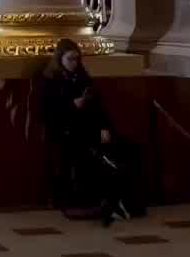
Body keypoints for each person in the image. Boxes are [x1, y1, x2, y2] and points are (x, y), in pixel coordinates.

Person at [40, 39, 144, 225]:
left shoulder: (83, 78)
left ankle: (125, 201)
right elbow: (50, 112)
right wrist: (72, 105)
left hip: (90, 128)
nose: (75, 63)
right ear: (60, 59)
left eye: (77, 59)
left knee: (128, 149)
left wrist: (105, 127)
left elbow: (99, 107)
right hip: (68, 131)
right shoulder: (51, 81)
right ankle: (108, 202)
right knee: (95, 157)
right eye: (70, 59)